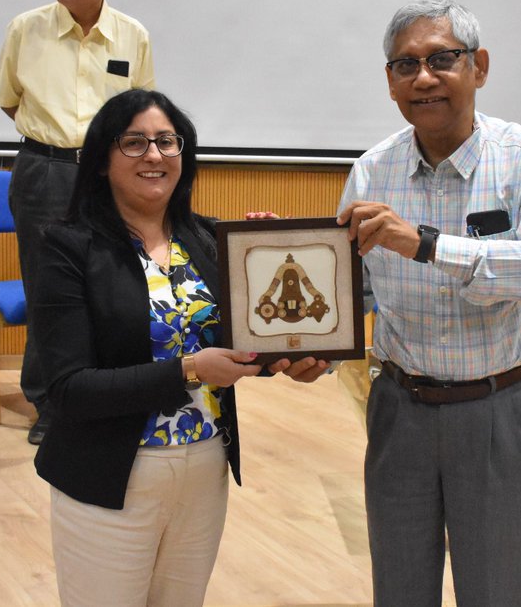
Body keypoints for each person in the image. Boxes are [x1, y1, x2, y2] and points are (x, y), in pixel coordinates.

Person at [32, 89, 326, 606]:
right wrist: (188, 371)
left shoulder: (211, 240)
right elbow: (69, 390)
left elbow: (245, 351)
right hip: (108, 474)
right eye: (135, 142)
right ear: (102, 160)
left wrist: (294, 354)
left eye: (168, 142)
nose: (154, 155)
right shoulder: (66, 247)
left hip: (204, 465)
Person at [336, 0, 521, 606]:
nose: (423, 77)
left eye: (441, 59)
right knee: (399, 590)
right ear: (390, 83)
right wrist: (292, 330)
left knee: (498, 591)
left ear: (480, 67)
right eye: (404, 65)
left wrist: (426, 245)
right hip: (399, 409)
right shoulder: (372, 171)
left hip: (499, 408)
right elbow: (349, 289)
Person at [0, 0, 155, 444]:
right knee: (48, 291)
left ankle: (105, 390)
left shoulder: (132, 36)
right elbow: (10, 101)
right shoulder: (27, 29)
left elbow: (142, 114)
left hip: (109, 175)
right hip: (45, 169)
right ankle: (50, 401)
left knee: (108, 287)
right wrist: (61, 147)